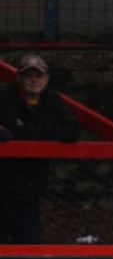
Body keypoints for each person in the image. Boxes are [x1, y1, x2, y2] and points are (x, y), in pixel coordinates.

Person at [0, 54, 79, 243]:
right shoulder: (4, 97)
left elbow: (72, 132)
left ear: (47, 78)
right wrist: (50, 128)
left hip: (31, 191)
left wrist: (24, 130)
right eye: (28, 75)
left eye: (38, 75)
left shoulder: (52, 98)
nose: (34, 80)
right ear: (19, 78)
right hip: (3, 188)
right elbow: (12, 132)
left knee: (29, 245)